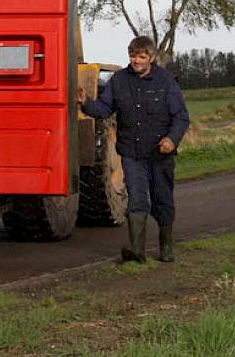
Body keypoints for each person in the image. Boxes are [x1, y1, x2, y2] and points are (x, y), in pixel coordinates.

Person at [77, 36, 190, 263]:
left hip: (161, 153)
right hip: (132, 153)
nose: (136, 60)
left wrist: (172, 139)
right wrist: (86, 103)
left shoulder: (166, 82)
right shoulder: (119, 80)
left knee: (162, 200)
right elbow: (105, 109)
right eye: (132, 56)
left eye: (141, 56)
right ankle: (137, 252)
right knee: (137, 199)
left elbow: (181, 117)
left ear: (151, 58)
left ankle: (166, 249)